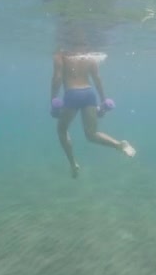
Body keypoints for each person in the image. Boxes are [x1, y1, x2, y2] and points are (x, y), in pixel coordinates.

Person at [50, 47, 136, 178]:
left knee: (62, 130)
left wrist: (53, 100)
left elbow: (57, 77)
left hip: (72, 94)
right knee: (92, 134)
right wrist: (103, 101)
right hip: (89, 94)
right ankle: (120, 145)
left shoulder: (60, 54)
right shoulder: (88, 55)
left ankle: (73, 163)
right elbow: (97, 79)